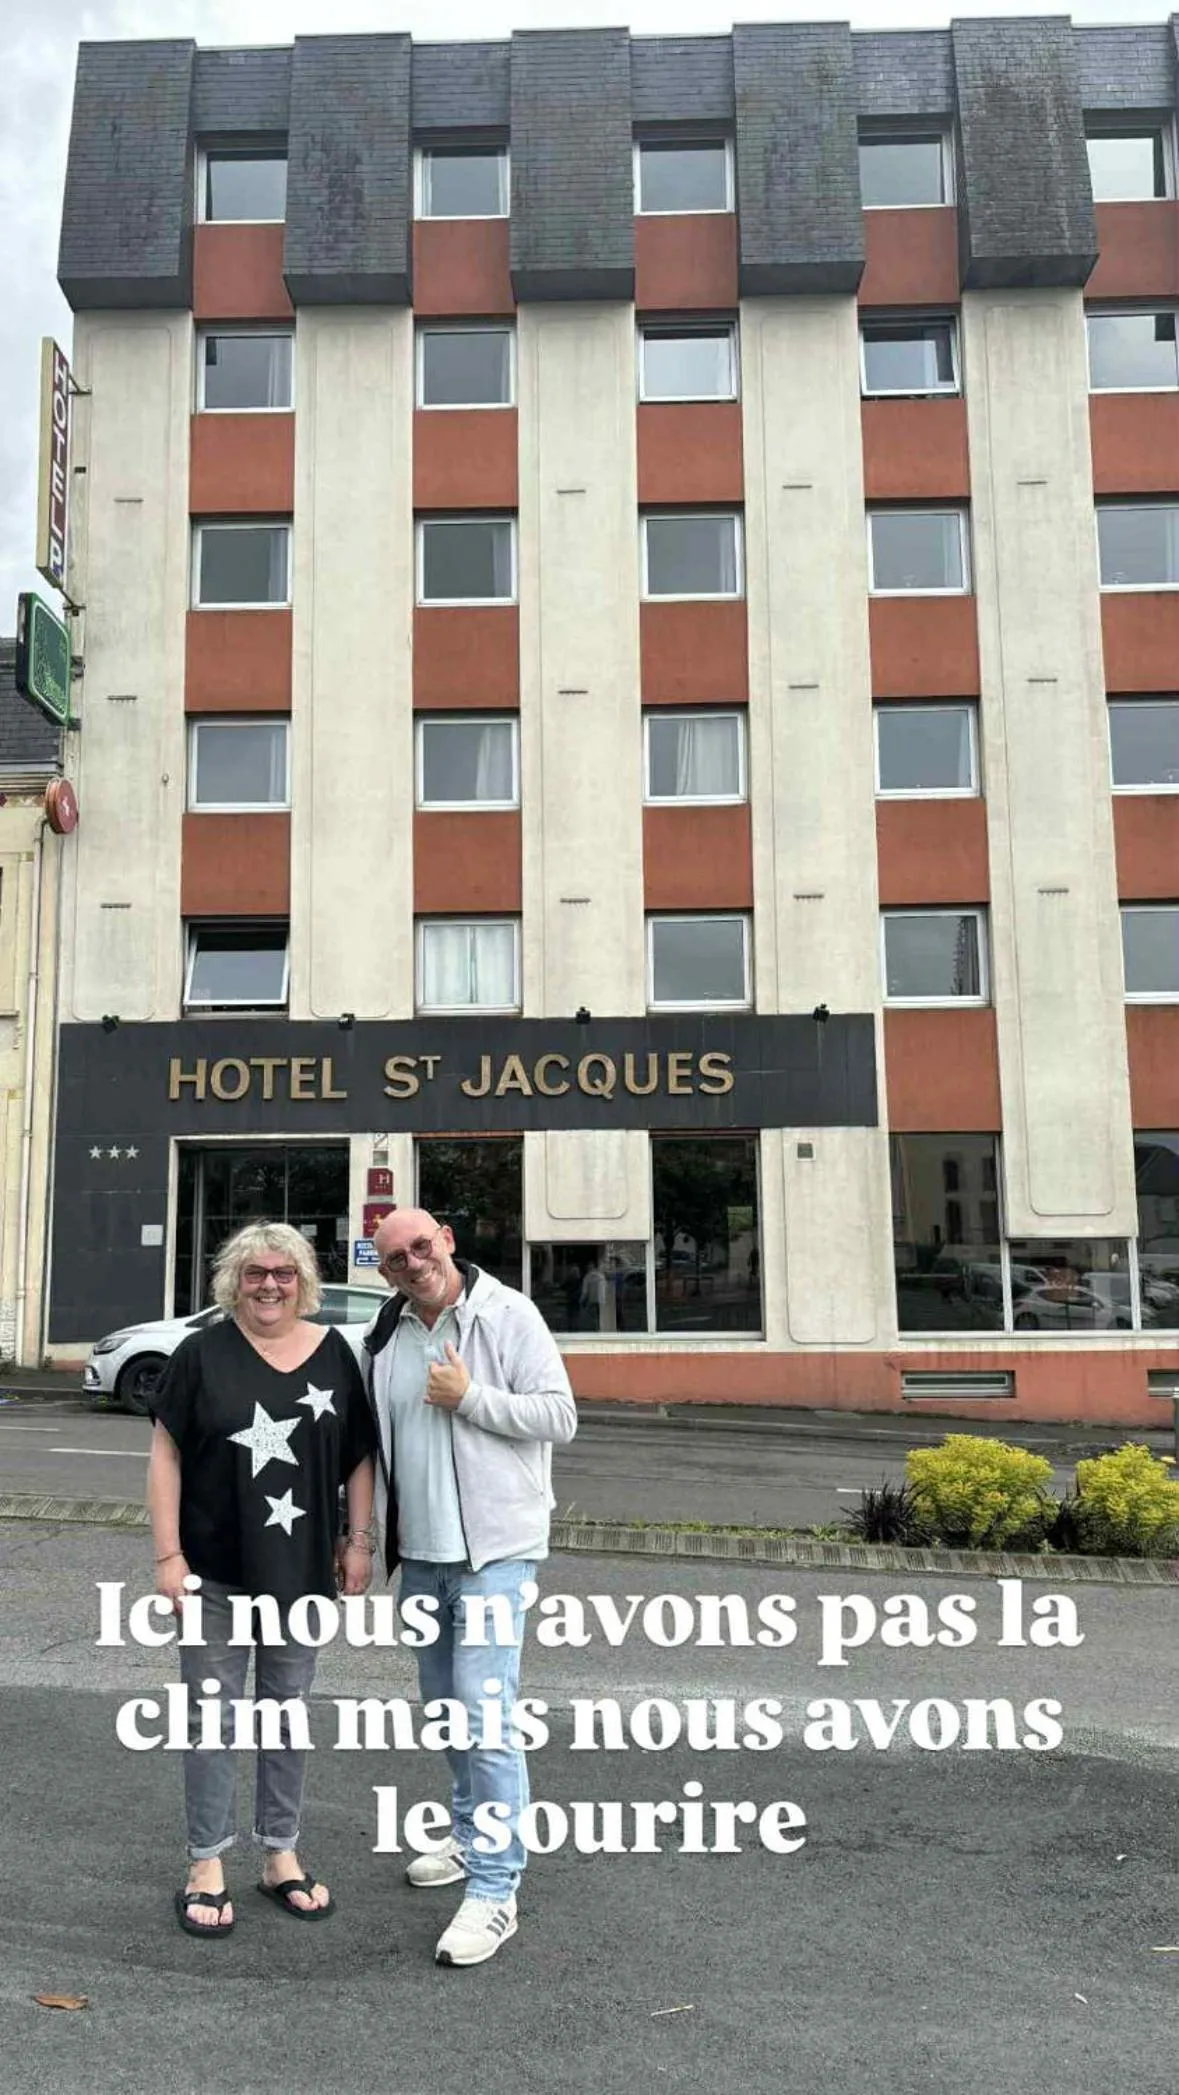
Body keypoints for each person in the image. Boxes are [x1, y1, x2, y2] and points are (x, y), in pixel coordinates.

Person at [147, 1222, 377, 1937]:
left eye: (283, 1273)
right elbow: (165, 1456)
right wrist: (167, 1556)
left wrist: (359, 1541)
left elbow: (358, 1458)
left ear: (301, 1282)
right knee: (210, 1719)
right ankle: (206, 1862)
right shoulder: (200, 1353)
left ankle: (280, 1853)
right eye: (255, 1273)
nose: (269, 1285)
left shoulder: (335, 1354)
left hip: (300, 1573)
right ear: (234, 1281)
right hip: (212, 1573)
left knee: (286, 1714)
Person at [365, 1205, 577, 1967]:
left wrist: (470, 1397)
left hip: (495, 1557)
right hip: (421, 1558)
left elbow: (560, 1416)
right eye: (394, 1258)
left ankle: (494, 1887)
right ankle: (467, 1834)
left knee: (486, 1721)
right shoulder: (384, 1334)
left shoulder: (508, 1314)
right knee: (446, 1715)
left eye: (421, 1246)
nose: (412, 1263)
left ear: (448, 1241)